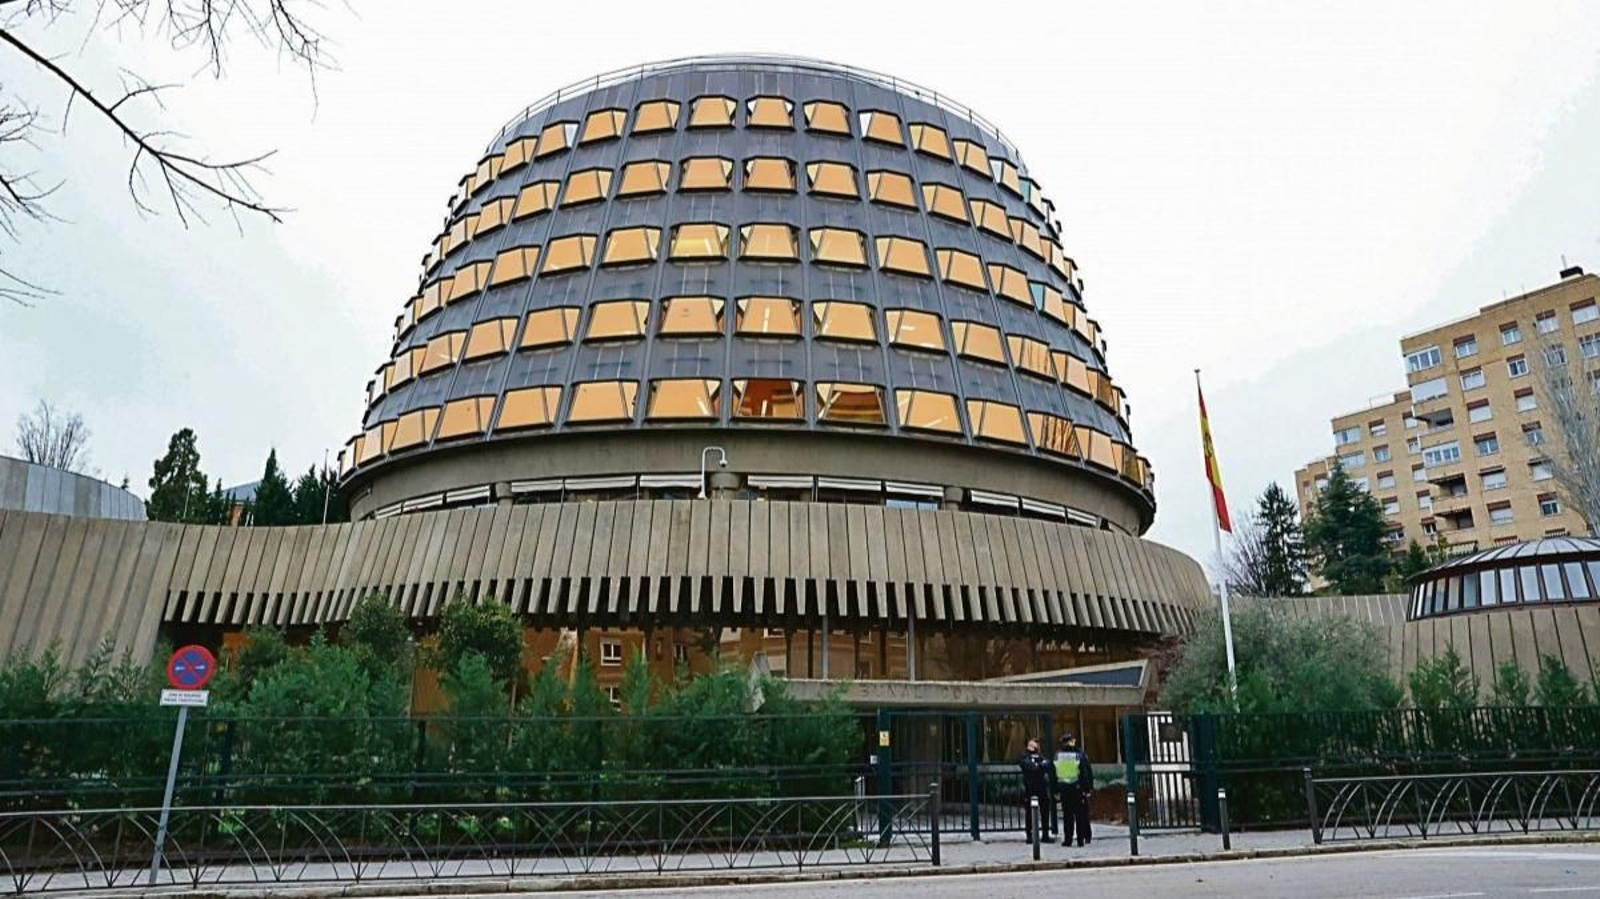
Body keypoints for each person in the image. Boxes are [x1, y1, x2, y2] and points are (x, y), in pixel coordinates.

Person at [1054, 732, 1093, 846]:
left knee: (1067, 816)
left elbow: (1054, 774)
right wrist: (1087, 789)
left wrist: (1055, 790)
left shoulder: (1058, 755)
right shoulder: (1078, 755)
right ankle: (1081, 839)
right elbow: (1084, 773)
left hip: (1064, 789)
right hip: (1077, 788)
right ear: (1071, 742)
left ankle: (1068, 839)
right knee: (1080, 815)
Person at [1017, 737, 1054, 843]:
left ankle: (1045, 834)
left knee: (1045, 811)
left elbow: (1046, 765)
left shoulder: (1040, 756)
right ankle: (1029, 835)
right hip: (1030, 788)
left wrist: (1039, 765)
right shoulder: (1025, 756)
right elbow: (1029, 766)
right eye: (1034, 743)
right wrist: (1038, 765)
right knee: (1029, 812)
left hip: (1041, 787)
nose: (1036, 745)